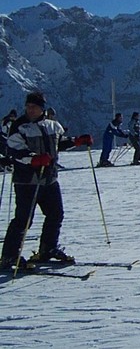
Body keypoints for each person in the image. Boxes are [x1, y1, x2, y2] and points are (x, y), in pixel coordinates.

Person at [0, 91, 93, 271]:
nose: (30, 110)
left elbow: (59, 143)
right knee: (23, 220)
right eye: (28, 107)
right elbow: (14, 150)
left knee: (55, 214)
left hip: (49, 178)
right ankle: (9, 257)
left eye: (33, 107)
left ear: (41, 108)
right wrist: (33, 159)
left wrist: (78, 141)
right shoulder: (20, 126)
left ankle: (47, 249)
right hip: (27, 180)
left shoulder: (52, 125)